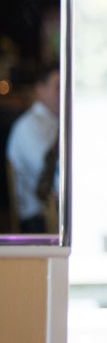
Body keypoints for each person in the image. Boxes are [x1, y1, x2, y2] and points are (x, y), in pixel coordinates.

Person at [5, 63, 59, 233]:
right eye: (58, 87)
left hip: (58, 214)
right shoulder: (29, 127)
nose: (64, 94)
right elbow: (51, 177)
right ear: (39, 90)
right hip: (38, 221)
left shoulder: (57, 123)